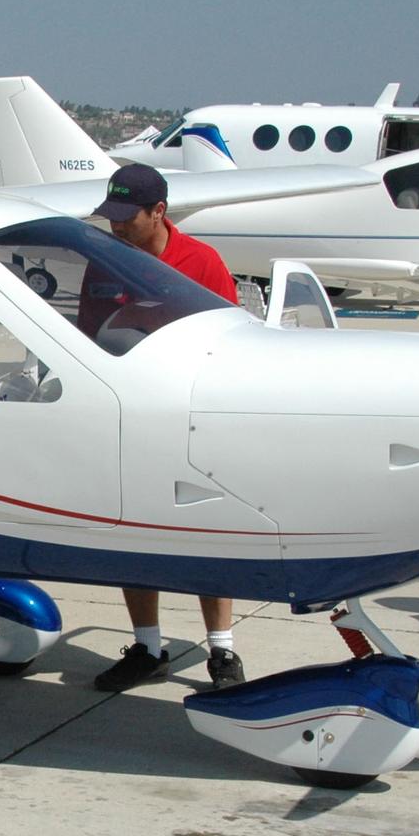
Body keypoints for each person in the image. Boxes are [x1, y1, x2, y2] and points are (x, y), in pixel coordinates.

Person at [88, 164, 245, 691]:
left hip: (194, 418)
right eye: (110, 216)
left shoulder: (202, 262)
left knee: (207, 530)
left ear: (159, 212)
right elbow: (87, 334)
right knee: (133, 530)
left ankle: (222, 652)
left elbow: (233, 341)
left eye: (125, 218)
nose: (116, 228)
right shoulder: (105, 262)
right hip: (129, 420)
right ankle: (148, 645)